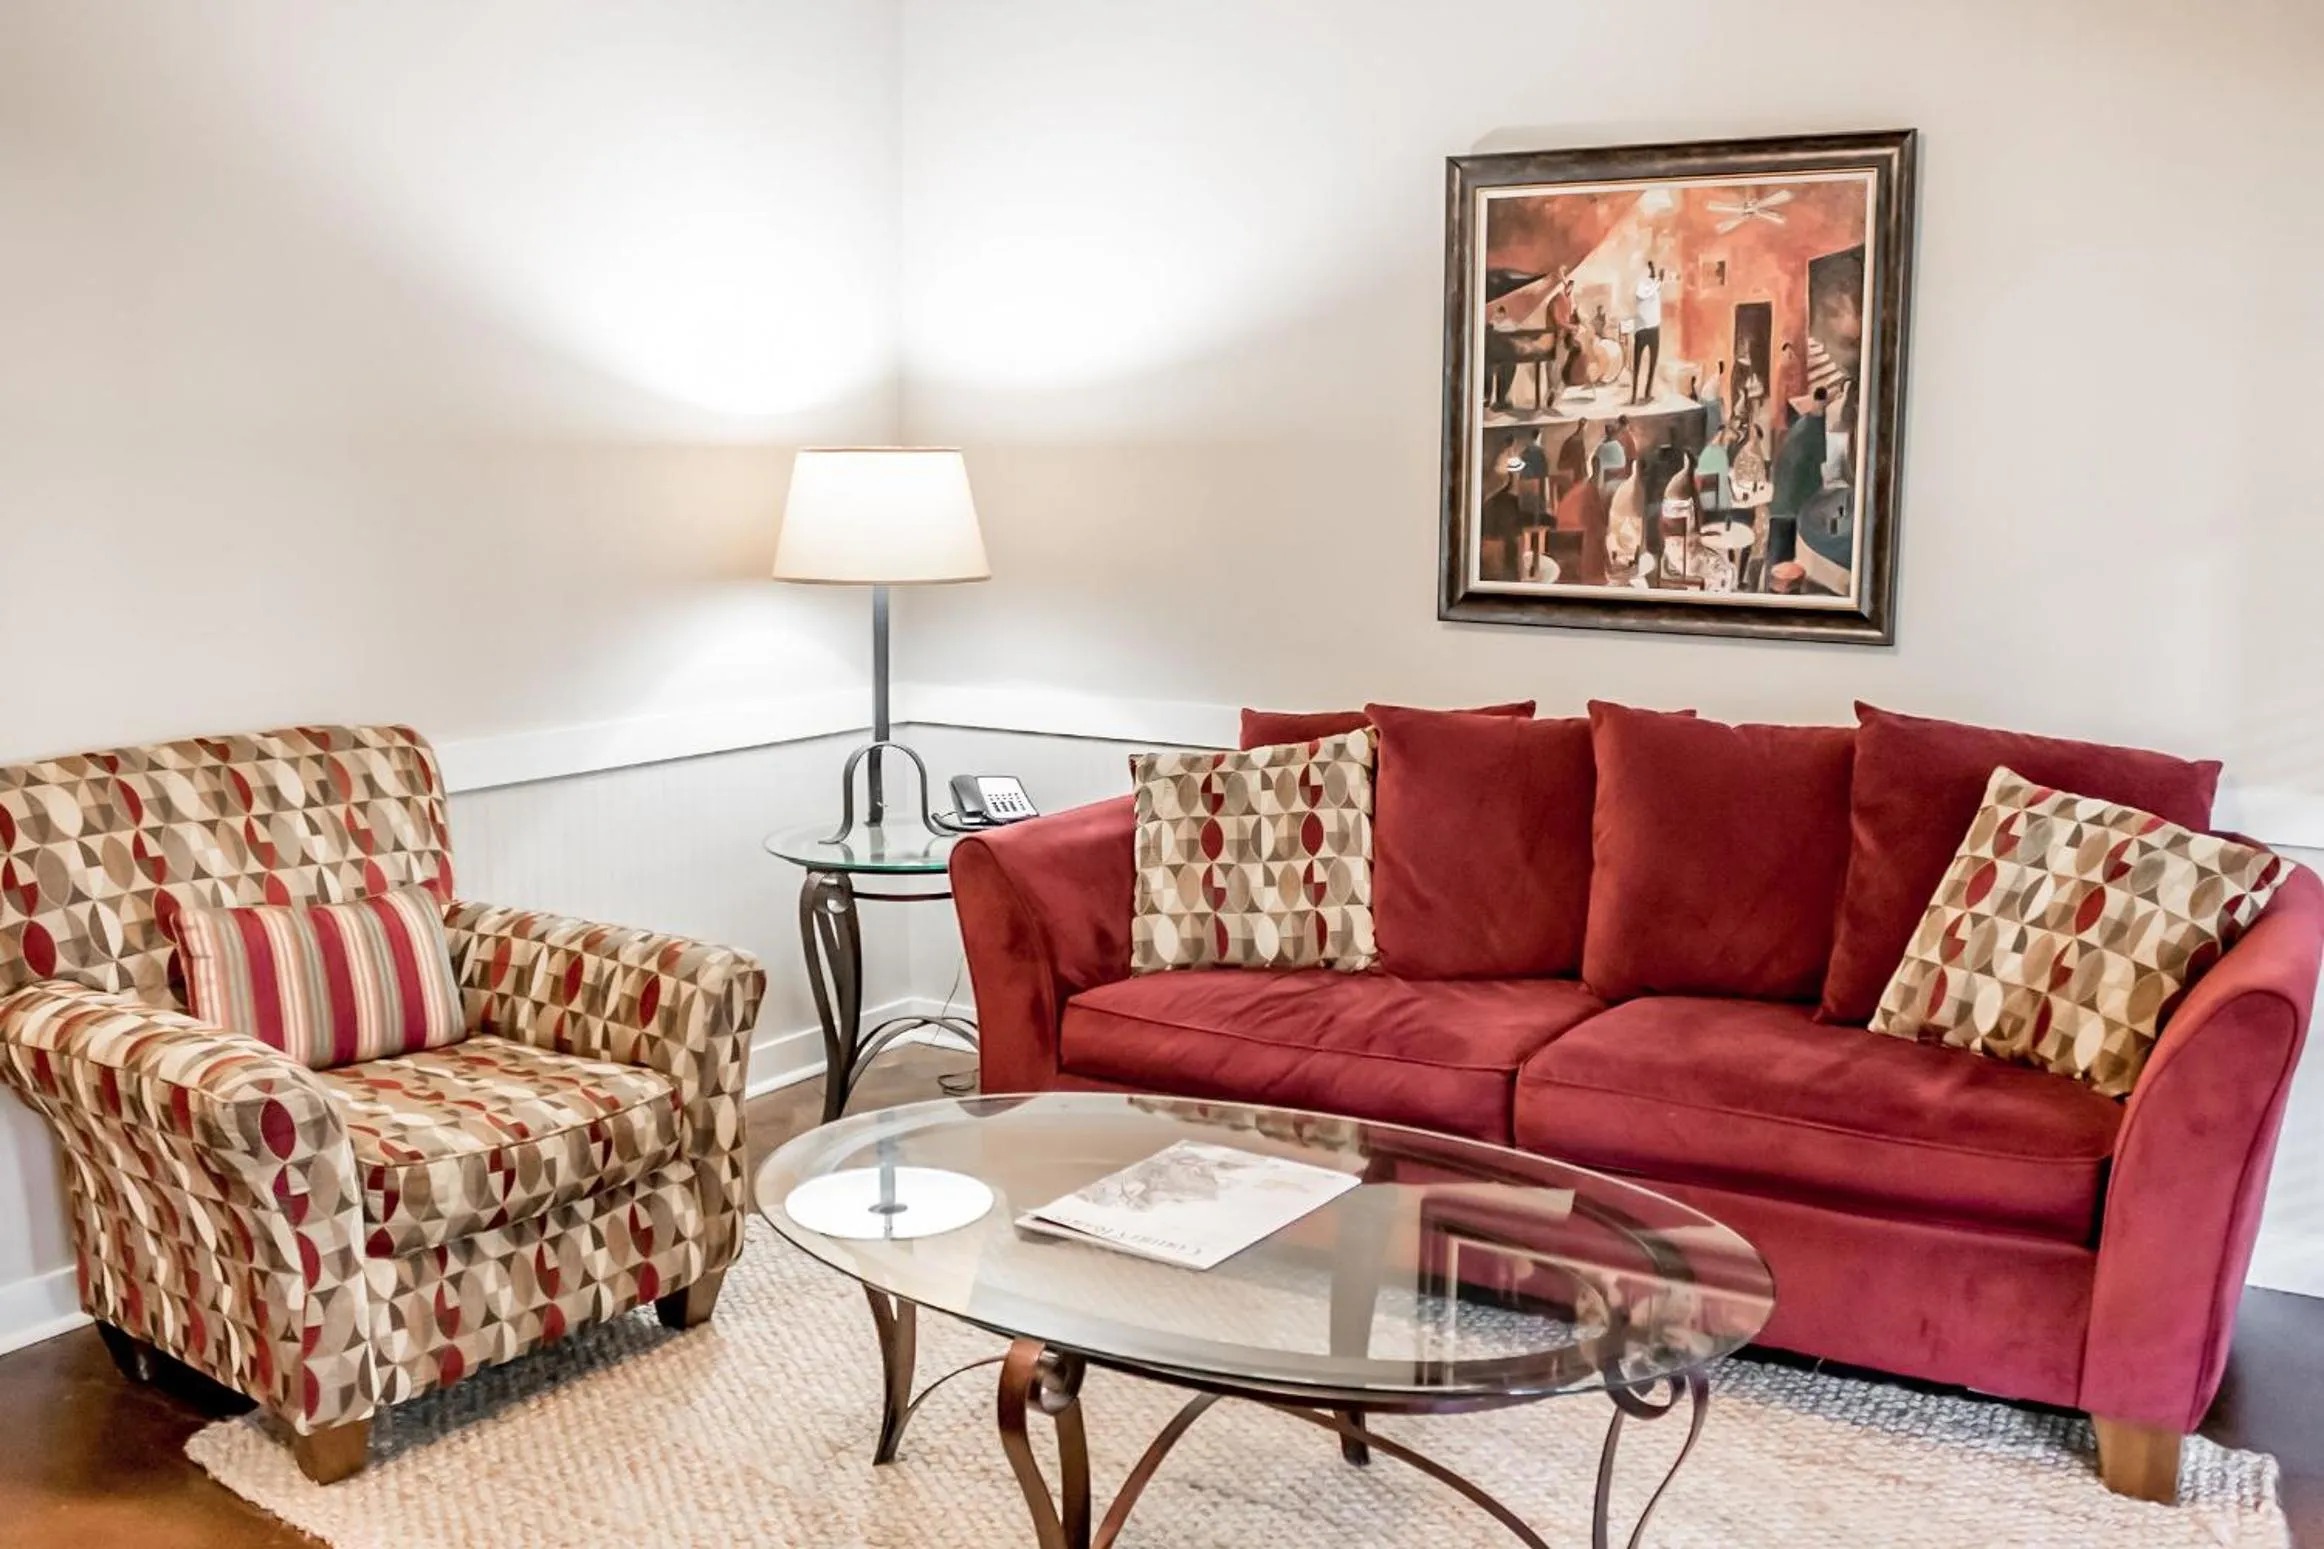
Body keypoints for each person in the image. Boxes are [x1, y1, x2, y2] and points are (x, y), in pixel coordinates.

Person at [1629, 264, 1664, 405]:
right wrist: (1658, 281)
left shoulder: (1654, 286)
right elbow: (1644, 294)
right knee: (1637, 365)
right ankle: (1633, 395)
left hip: (1654, 328)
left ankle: (1647, 393)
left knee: (1652, 364)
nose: (1652, 275)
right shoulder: (1642, 287)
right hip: (1642, 329)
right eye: (1651, 272)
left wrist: (1659, 280)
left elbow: (1656, 290)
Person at [1484, 303, 1520, 412]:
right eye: (1497, 314)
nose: (1498, 316)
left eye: (1499, 314)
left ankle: (1497, 399)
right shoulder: (1507, 325)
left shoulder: (1496, 325)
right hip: (1500, 357)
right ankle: (1499, 399)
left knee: (1499, 370)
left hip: (1498, 357)